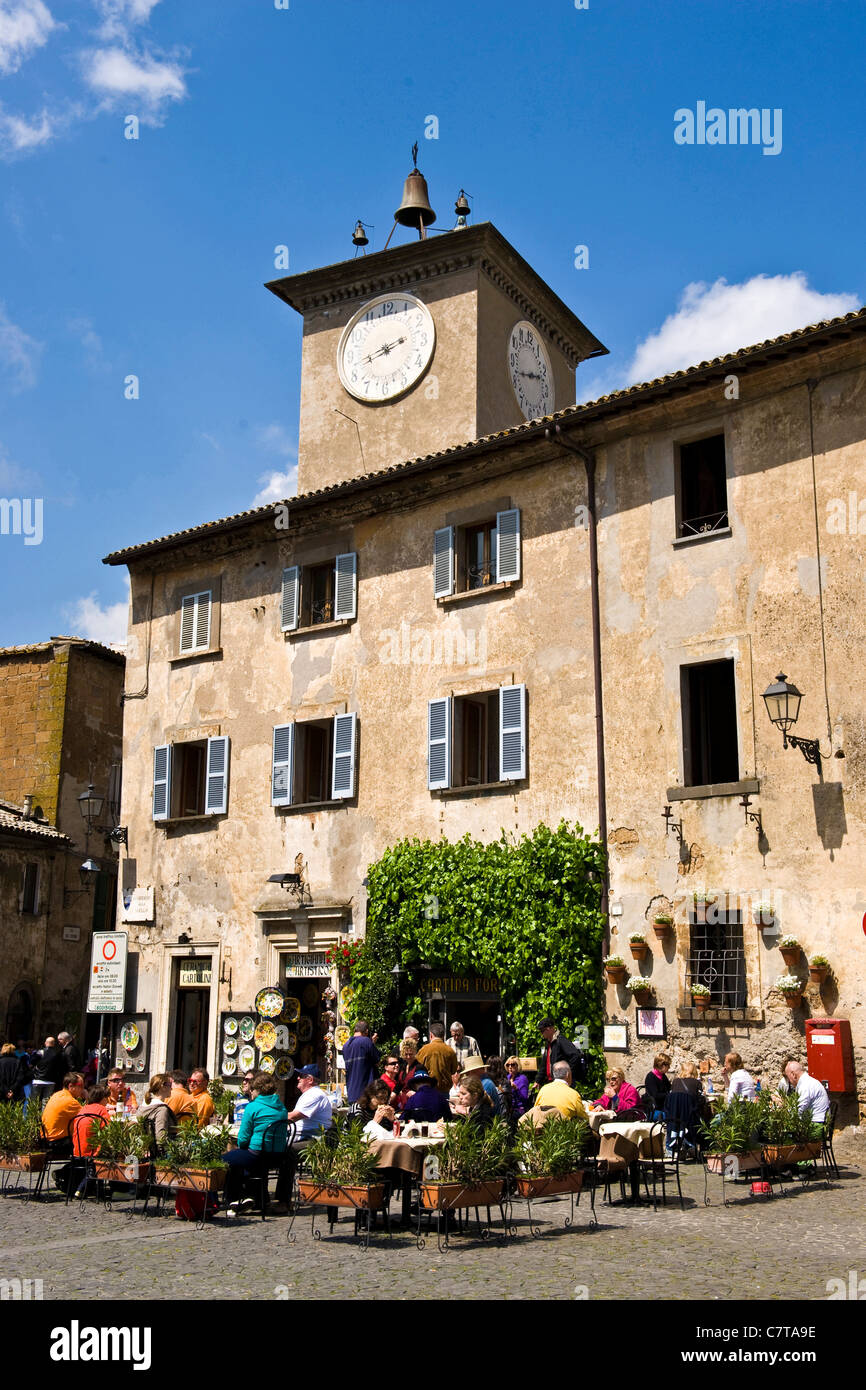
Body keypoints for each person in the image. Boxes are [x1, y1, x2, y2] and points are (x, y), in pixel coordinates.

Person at [222, 1072, 288, 1215]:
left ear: (257, 1090)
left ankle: (233, 1199)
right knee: (243, 1159)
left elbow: (243, 1139)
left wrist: (243, 1146)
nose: (250, 1092)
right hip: (277, 1155)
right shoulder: (282, 1107)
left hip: (258, 1154)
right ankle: (256, 1198)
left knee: (227, 1159)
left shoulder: (252, 1107)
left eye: (252, 1089)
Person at [273, 1065, 334, 1214]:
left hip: (316, 1139)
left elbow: (294, 1116)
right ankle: (259, 1196)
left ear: (310, 1079)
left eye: (301, 1075)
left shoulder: (315, 1094)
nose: (298, 1078)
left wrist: (270, 1117)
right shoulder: (308, 1094)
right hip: (302, 1136)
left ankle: (283, 1201)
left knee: (289, 1154)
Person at [537, 1017, 586, 1087]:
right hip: (552, 1082)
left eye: (542, 1031)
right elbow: (544, 1063)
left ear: (549, 1029)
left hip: (562, 1082)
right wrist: (538, 1080)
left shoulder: (561, 1041)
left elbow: (575, 1055)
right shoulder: (548, 1043)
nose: (541, 1034)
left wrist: (566, 1074)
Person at [41, 1073, 85, 1150]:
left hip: (46, 1139)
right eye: (80, 1085)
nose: (83, 1089)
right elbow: (89, 1116)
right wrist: (88, 1098)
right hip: (58, 1142)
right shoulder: (70, 1101)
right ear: (70, 1086)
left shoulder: (56, 1095)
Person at [341, 1021, 380, 1104]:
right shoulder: (366, 1041)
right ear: (366, 1031)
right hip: (365, 1093)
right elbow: (377, 1061)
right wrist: (372, 1043)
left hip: (351, 1093)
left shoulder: (345, 1046)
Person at [417, 1022, 459, 1094]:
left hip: (427, 1090)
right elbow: (454, 1070)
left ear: (431, 1035)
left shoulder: (423, 1050)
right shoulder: (450, 1051)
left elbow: (417, 1069)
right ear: (443, 1035)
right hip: (444, 1091)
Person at [138, 1074, 176, 1148]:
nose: (172, 1088)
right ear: (163, 1086)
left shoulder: (143, 1106)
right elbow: (161, 1138)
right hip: (160, 1154)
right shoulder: (161, 1109)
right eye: (170, 1085)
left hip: (144, 1149)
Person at [31, 1037, 65, 1101]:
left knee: (33, 1102)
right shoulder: (57, 1054)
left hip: (38, 1079)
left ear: (45, 1043)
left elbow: (32, 1061)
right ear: (54, 1044)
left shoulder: (40, 1052)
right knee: (46, 1102)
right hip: (50, 1081)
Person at [644, 1053, 672, 1119]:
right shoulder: (651, 1077)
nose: (669, 1068)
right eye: (668, 1065)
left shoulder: (663, 1076)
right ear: (662, 1065)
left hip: (664, 1106)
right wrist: (668, 1094)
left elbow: (669, 1087)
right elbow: (655, 1095)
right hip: (655, 1109)